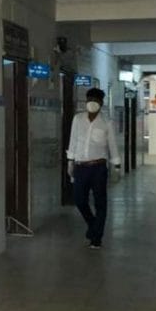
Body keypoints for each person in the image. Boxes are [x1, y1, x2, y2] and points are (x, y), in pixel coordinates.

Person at [67, 88, 121, 249]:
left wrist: (116, 166)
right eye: (89, 99)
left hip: (98, 167)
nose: (92, 103)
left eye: (96, 100)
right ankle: (93, 225)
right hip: (80, 167)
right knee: (79, 199)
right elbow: (73, 140)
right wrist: (70, 161)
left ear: (101, 103)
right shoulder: (78, 119)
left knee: (100, 203)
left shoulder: (107, 123)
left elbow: (112, 144)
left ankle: (96, 238)